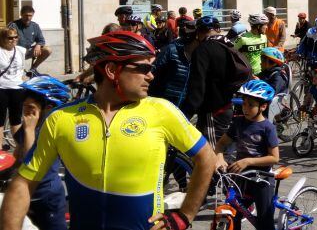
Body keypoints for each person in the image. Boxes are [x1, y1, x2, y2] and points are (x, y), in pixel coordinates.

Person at [1, 31, 216, 230]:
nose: (151, 76)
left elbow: (206, 157)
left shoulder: (161, 111)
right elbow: (23, 183)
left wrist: (185, 215)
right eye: (143, 68)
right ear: (112, 70)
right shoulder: (61, 119)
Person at [214, 80, 279, 230]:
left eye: (251, 105)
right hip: (241, 177)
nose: (245, 108)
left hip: (262, 179)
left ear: (263, 106)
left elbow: (274, 157)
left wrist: (248, 161)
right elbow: (221, 144)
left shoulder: (267, 128)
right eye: (244, 103)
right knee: (233, 215)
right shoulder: (238, 123)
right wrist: (220, 158)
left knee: (265, 222)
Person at [13, 76, 70, 230]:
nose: (25, 112)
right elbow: (18, 156)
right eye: (24, 106)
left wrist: (29, 130)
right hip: (28, 194)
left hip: (47, 196)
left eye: (30, 107)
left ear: (49, 107)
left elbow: (29, 163)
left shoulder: (50, 131)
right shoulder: (29, 126)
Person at [181, 16, 236, 145]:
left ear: (198, 32)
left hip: (212, 110)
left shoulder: (202, 50)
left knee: (212, 154)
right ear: (217, 29)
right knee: (218, 150)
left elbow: (197, 85)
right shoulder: (228, 45)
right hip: (227, 105)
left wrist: (187, 112)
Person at [150, 19, 198, 108]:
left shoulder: (202, 55)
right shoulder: (171, 50)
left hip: (186, 105)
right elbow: (153, 71)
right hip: (164, 103)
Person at [0, 27, 26, 150]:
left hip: (17, 88)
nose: (13, 40)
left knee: (16, 120)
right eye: (10, 38)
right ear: (3, 39)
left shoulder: (21, 50)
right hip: (2, 88)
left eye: (16, 37)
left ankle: (19, 150)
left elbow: (46, 50)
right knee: (0, 120)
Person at [8, 6, 51, 75]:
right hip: (15, 52)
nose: (28, 18)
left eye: (30, 16)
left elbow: (41, 40)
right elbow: (6, 40)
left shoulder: (35, 26)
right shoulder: (13, 25)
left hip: (28, 51)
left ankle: (33, 69)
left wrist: (38, 45)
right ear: (21, 14)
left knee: (47, 50)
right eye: (26, 15)